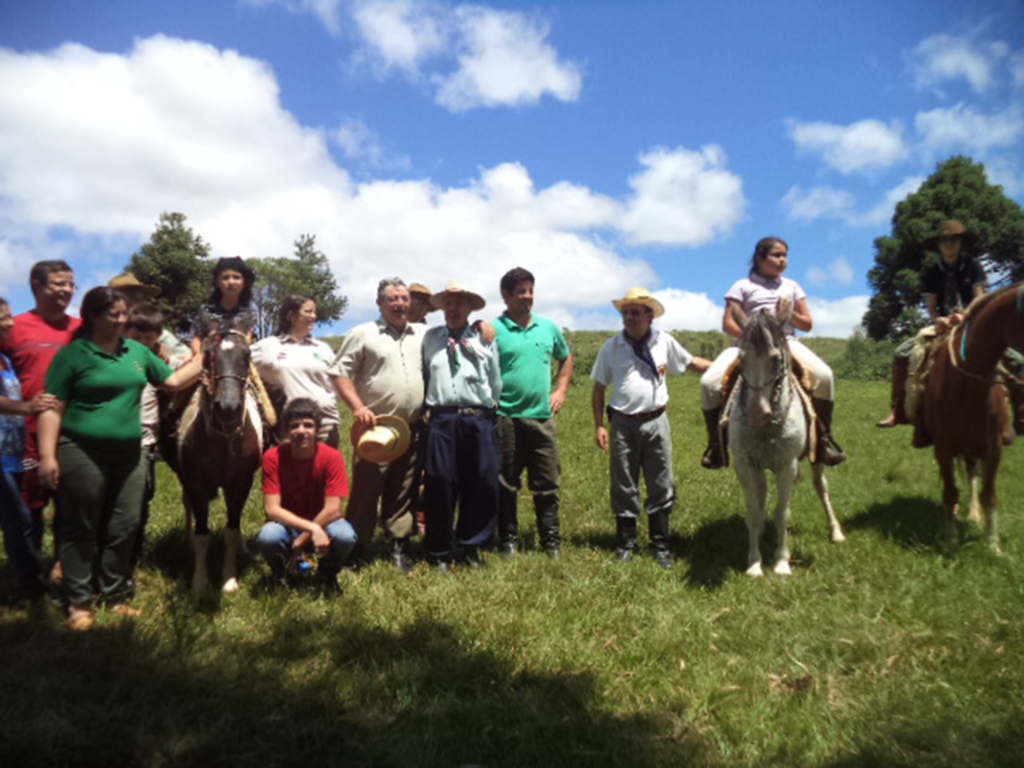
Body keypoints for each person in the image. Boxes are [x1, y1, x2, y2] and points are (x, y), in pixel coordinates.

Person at [37, 287, 203, 631]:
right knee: (80, 525)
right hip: (80, 450)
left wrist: (208, 354)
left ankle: (114, 594)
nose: (121, 320)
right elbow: (53, 410)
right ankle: (79, 602)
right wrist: (47, 456)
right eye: (114, 314)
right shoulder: (73, 356)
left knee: (124, 524)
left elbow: (172, 380)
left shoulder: (137, 351)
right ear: (93, 317)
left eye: (123, 313)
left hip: (131, 452)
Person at [699, 236, 847, 468]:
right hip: (746, 344)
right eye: (776, 255)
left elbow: (807, 324)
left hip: (787, 342)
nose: (782, 260)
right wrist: (753, 338)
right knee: (709, 382)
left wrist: (789, 314)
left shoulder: (792, 287)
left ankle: (824, 441)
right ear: (759, 258)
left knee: (825, 376)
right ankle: (716, 446)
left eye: (785, 256)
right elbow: (728, 324)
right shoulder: (741, 287)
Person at [591, 287, 710, 568]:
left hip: (657, 421)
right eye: (625, 312)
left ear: (649, 315)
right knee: (623, 483)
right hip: (621, 422)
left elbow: (690, 363)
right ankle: (626, 543)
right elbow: (598, 388)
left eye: (635, 312)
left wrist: (725, 366)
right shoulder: (611, 347)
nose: (628, 317)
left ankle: (661, 544)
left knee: (662, 481)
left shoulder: (664, 342)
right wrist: (599, 425)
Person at [330, 278, 424, 572]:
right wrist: (358, 407)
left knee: (403, 488)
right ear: (380, 304)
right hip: (376, 428)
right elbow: (339, 373)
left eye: (404, 298)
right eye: (393, 299)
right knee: (366, 490)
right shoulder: (363, 333)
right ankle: (357, 548)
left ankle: (398, 545)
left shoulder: (421, 334)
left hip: (410, 427)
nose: (400, 304)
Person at [0, 261, 80, 566]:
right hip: (24, 438)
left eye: (71, 284)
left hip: (73, 434)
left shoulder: (80, 329)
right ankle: (29, 577)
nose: (66, 290)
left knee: (71, 508)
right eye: (59, 283)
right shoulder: (13, 328)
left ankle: (64, 569)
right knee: (28, 511)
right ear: (36, 284)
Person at [421, 281, 503, 570]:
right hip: (442, 419)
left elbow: (495, 380)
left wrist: (488, 408)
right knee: (440, 482)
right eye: (448, 304)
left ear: (470, 308)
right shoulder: (430, 338)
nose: (453, 309)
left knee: (481, 481)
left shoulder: (485, 338)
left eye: (459, 303)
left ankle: (471, 546)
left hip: (478, 417)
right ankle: (439, 551)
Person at [493, 267, 574, 560]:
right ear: (506, 295)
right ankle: (508, 540)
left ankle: (550, 540)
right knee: (506, 481)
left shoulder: (548, 328)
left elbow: (566, 357)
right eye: (520, 292)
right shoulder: (494, 329)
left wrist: (561, 390)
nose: (527, 297)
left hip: (541, 417)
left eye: (530, 291)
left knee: (547, 480)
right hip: (505, 417)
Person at [876, 220, 988, 428]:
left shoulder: (973, 266)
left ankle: (1017, 410)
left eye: (953, 240)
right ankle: (898, 410)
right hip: (942, 324)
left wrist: (965, 316)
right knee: (902, 353)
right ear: (939, 245)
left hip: (972, 321)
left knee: (1011, 354)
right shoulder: (931, 272)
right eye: (944, 241)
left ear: (961, 243)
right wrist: (941, 320)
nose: (949, 245)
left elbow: (979, 298)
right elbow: (932, 307)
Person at [256, 398, 356, 594]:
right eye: (294, 426)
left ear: (317, 430)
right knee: (268, 537)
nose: (302, 431)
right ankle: (283, 575)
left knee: (346, 535)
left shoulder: (332, 457)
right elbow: (272, 509)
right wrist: (310, 529)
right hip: (288, 525)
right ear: (286, 431)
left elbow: (333, 509)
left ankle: (327, 575)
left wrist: (300, 542)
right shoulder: (273, 457)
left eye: (308, 425)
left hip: (325, 524)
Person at [0, 297, 57, 603]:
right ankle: (26, 586)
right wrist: (28, 406)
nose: (9, 323)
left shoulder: (6, 361)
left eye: (9, 316)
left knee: (32, 515)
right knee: (17, 517)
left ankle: (31, 575)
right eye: (2, 319)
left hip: (17, 450)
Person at [124, 303, 188, 573]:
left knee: (143, 496)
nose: (142, 343)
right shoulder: (116, 353)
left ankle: (132, 556)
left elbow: (183, 367)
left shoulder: (159, 356)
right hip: (118, 436)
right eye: (136, 338)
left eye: (148, 339)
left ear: (158, 337)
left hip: (145, 439)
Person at [252, 294, 342, 448]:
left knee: (324, 470)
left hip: (327, 422)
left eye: (314, 312)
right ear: (291, 316)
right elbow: (239, 363)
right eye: (308, 312)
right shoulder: (268, 346)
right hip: (292, 426)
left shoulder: (323, 348)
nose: (313, 316)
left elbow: (339, 381)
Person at [191, 256, 258, 355]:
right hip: (208, 357)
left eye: (236, 277)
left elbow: (247, 340)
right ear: (217, 283)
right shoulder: (205, 311)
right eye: (225, 278)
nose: (231, 282)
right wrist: (197, 355)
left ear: (244, 283)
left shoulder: (249, 312)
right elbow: (197, 339)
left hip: (239, 358)